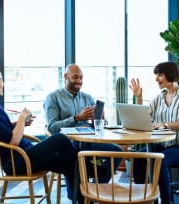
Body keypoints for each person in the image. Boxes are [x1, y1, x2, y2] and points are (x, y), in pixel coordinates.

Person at [0, 64, 86, 203]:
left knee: (69, 163)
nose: (3, 83)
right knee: (60, 139)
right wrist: (21, 117)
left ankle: (82, 198)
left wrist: (21, 124)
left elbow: (2, 129)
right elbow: (12, 142)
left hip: (25, 152)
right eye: (1, 79)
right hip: (15, 162)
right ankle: (89, 167)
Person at [43, 63, 123, 200]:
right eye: (75, 77)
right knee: (74, 153)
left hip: (89, 140)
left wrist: (101, 120)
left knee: (117, 152)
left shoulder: (87, 97)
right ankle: (77, 196)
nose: (79, 81)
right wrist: (76, 118)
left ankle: (92, 191)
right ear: (65, 76)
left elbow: (99, 126)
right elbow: (52, 127)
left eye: (81, 77)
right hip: (67, 143)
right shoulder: (53, 97)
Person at [129, 61, 179, 204]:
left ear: (170, 75)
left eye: (160, 75)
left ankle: (167, 201)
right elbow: (144, 117)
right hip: (165, 145)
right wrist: (139, 97)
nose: (156, 79)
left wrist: (164, 124)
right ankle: (144, 199)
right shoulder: (159, 98)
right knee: (138, 157)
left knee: (160, 159)